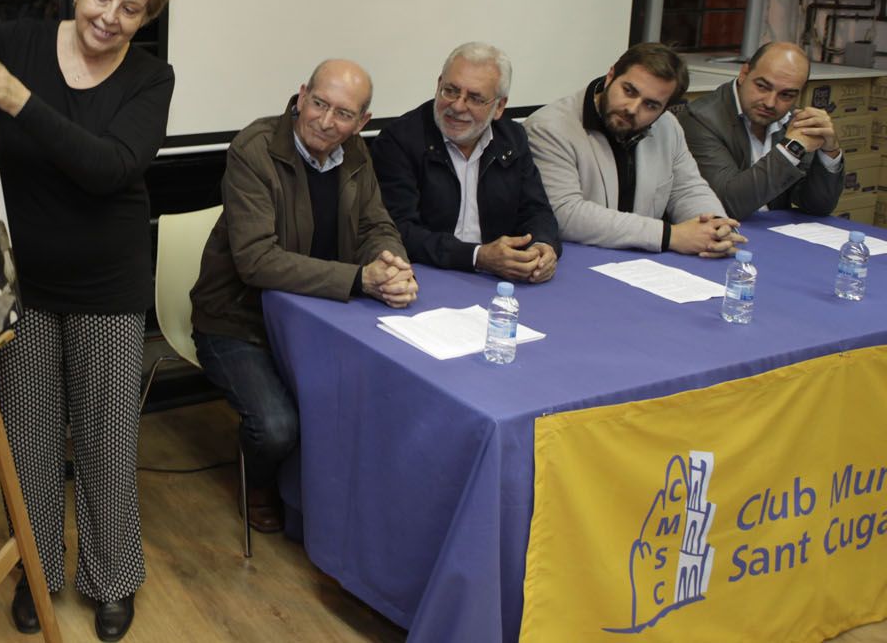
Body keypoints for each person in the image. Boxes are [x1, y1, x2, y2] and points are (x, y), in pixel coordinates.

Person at [0, 0, 176, 642]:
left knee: (107, 441)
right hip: (19, 279)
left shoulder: (151, 78)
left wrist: (21, 101)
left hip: (108, 282)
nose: (110, 16)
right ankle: (35, 569)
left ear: (147, 18)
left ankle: (112, 579)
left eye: (132, 8)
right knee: (25, 443)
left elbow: (110, 167)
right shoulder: (18, 42)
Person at [189, 59, 416, 535]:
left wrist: (392, 262)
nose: (327, 122)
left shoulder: (353, 151)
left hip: (320, 317)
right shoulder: (253, 149)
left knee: (384, 398)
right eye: (318, 104)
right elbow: (256, 261)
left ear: (362, 122)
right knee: (276, 428)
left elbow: (376, 223)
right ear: (300, 95)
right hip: (238, 321)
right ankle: (262, 478)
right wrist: (361, 279)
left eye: (343, 114)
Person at [525, 42, 743, 256]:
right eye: (628, 91)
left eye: (651, 105)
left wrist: (715, 226)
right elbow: (565, 214)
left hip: (641, 261)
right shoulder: (550, 127)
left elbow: (687, 188)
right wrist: (669, 236)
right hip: (578, 261)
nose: (632, 108)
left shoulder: (666, 125)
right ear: (611, 76)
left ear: (665, 109)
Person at [371, 42, 559, 282]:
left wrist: (542, 247)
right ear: (438, 84)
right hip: (426, 275)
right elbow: (398, 231)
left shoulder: (512, 139)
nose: (458, 106)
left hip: (499, 279)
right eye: (450, 90)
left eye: (475, 98)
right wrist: (477, 256)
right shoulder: (399, 140)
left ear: (499, 106)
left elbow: (537, 210)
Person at [678, 41, 844, 220]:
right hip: (718, 235)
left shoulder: (791, 119)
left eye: (786, 95)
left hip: (773, 235)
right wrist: (790, 150)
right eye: (762, 86)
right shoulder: (701, 119)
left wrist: (829, 152)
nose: (770, 103)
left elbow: (816, 206)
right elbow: (728, 204)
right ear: (744, 74)